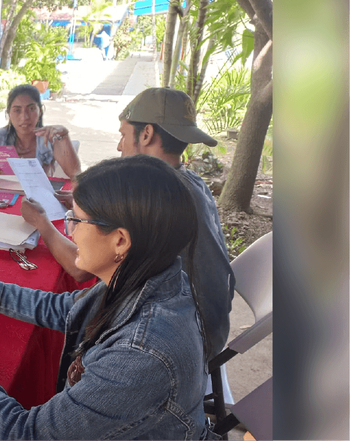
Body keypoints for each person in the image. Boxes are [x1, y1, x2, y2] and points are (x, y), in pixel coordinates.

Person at [0, 155, 216, 440]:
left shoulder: (141, 355)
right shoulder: (149, 273)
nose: (69, 231)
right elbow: (67, 309)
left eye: (76, 220)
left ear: (120, 241)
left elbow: (24, 433)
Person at [20, 87, 236, 359]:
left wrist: (42, 223)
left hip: (179, 343)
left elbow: (80, 269)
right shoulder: (188, 182)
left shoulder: (156, 197)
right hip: (209, 323)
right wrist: (93, 207)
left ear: (146, 134)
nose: (119, 146)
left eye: (123, 135)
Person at [0, 84, 81, 179]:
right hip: (0, 202)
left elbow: (75, 174)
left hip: (39, 206)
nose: (24, 117)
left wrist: (64, 136)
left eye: (31, 109)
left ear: (40, 111)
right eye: (17, 110)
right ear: (8, 114)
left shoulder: (49, 139)